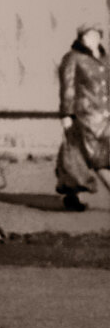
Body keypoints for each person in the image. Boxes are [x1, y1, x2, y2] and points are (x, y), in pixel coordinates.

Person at [55, 26, 107, 213]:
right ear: (81, 37)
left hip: (104, 116)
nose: (92, 39)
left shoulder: (103, 59)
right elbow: (67, 88)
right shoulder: (72, 58)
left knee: (74, 156)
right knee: (99, 158)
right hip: (84, 116)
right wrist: (66, 114)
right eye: (87, 35)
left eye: (95, 35)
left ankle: (71, 197)